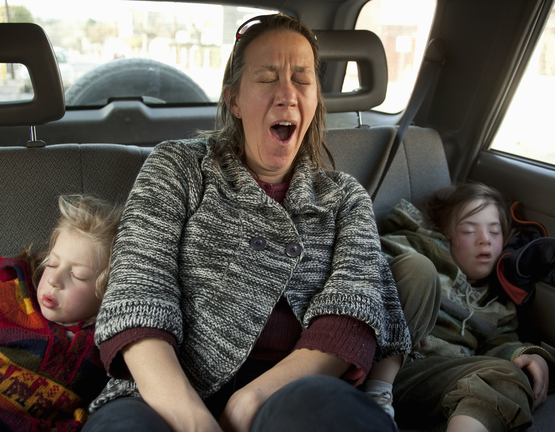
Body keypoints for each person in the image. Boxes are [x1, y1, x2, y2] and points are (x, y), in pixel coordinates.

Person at [84, 14, 411, 432]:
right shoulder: (178, 167)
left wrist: (252, 398)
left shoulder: (345, 198)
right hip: (162, 390)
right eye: (267, 78)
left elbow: (354, 315)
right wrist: (195, 421)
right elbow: (137, 296)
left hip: (292, 388)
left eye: (302, 79)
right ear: (234, 100)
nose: (287, 95)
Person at [366, 182, 555, 432]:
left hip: (427, 380)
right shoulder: (410, 246)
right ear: (444, 235)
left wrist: (526, 355)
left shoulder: (496, 305)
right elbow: (367, 271)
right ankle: (372, 402)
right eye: (470, 230)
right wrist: (406, 313)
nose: (485, 240)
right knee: (418, 268)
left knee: (508, 377)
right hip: (371, 361)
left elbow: (498, 345)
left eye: (495, 232)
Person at [0, 194, 123, 432]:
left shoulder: (107, 345)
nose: (54, 279)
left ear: (109, 290)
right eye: (52, 264)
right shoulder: (8, 302)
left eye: (77, 275)